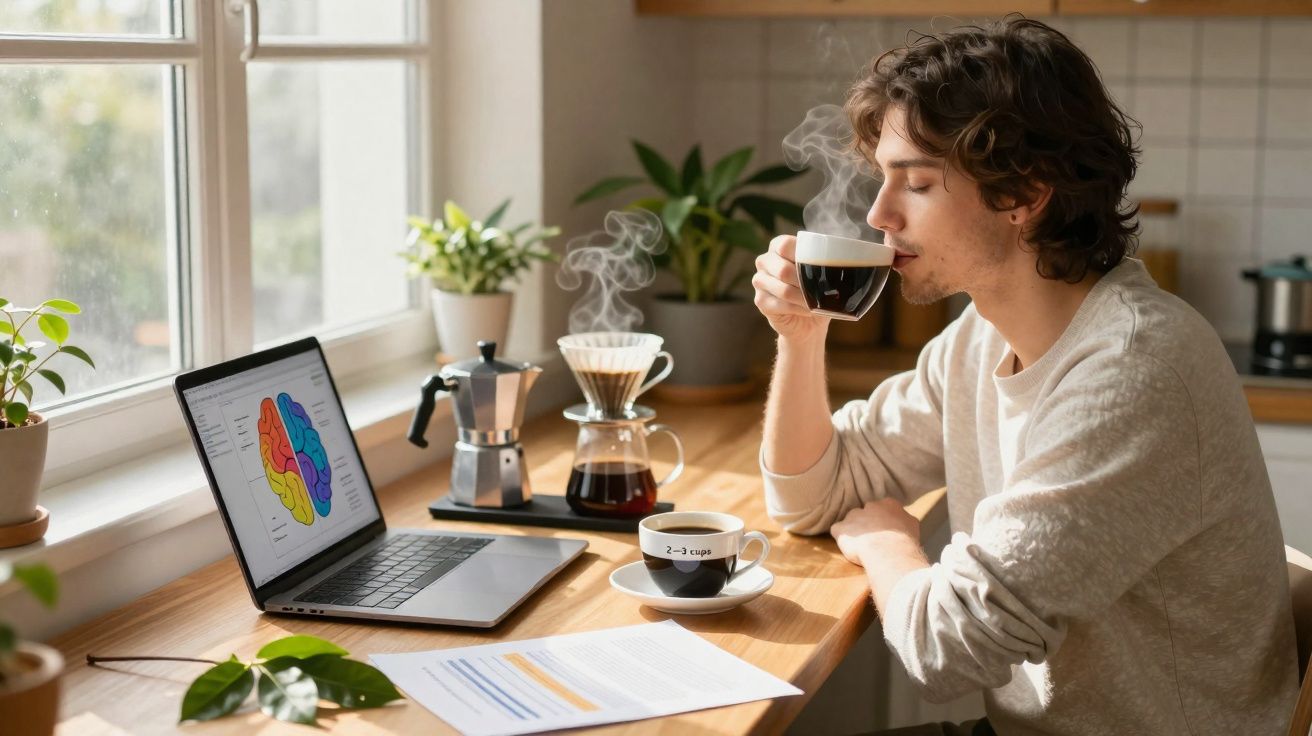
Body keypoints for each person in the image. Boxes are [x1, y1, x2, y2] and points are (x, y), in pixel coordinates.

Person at [753, 16, 1298, 736]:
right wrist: (800, 336)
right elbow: (813, 496)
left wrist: (888, 542)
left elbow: (948, 650)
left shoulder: (1133, 371)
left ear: (1024, 194)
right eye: (883, 179)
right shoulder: (979, 338)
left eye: (917, 183)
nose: (880, 214)